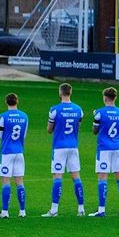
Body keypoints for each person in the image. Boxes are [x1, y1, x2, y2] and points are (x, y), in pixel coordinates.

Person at [44, 83, 85, 217]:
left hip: (59, 147)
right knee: (76, 177)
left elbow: (49, 130)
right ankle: (81, 209)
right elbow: (77, 128)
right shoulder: (79, 109)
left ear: (60, 93)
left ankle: (54, 209)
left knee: (57, 177)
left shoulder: (54, 109)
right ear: (70, 93)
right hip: (73, 146)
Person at [90, 87, 119, 216]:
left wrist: (96, 119)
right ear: (115, 98)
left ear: (105, 98)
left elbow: (95, 131)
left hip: (104, 149)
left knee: (103, 178)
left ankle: (101, 210)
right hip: (116, 148)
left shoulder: (99, 113)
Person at [0, 93, 29, 219]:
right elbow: (23, 135)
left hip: (6, 152)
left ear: (6, 102)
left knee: (5, 181)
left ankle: (4, 212)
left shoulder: (3, 116)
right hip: (19, 151)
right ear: (17, 101)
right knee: (20, 181)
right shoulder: (24, 116)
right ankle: (22, 211)